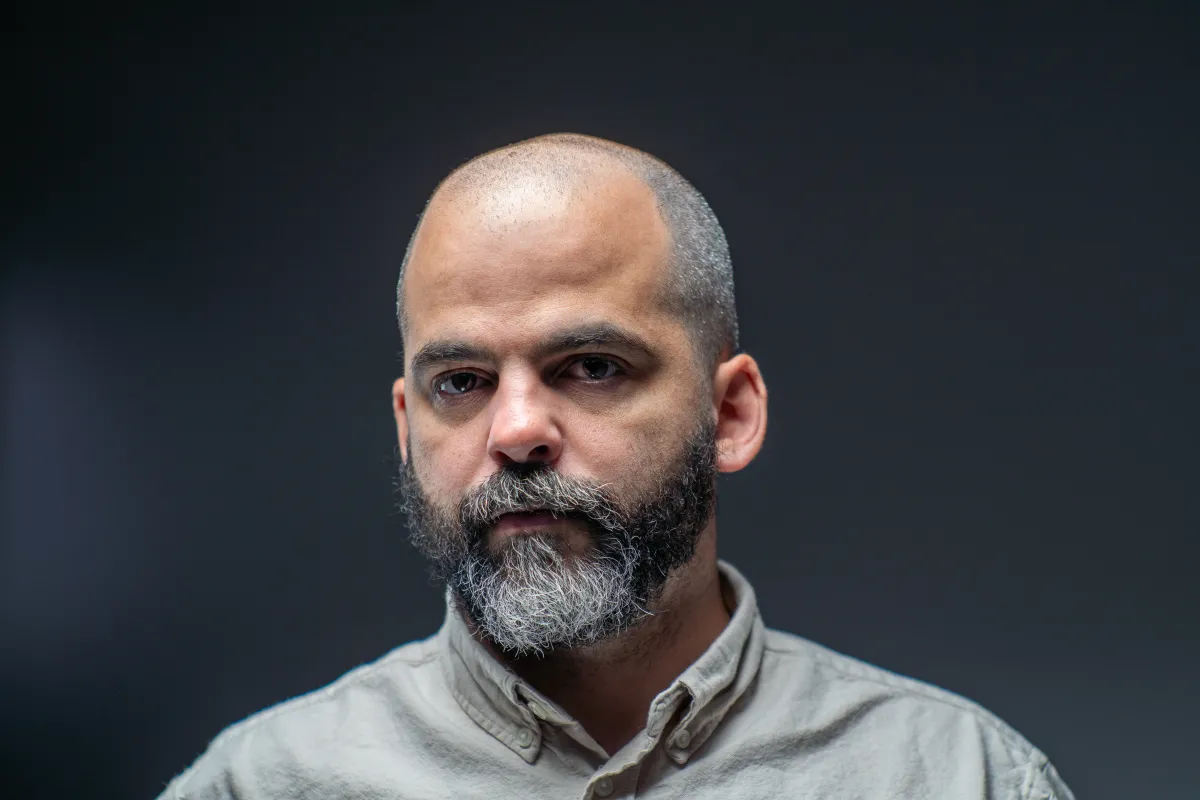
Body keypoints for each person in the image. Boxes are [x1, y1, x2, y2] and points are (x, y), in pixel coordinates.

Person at [158, 133, 1075, 799]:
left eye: (591, 367)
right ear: (406, 427)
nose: (516, 431)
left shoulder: (963, 779)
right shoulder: (260, 784)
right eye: (462, 382)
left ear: (730, 413)